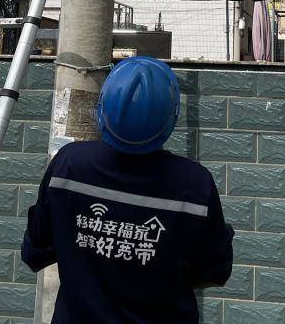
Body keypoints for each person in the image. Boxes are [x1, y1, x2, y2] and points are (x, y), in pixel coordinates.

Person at [21, 56, 235, 323]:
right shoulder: (194, 185)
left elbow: (34, 252)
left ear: (102, 109)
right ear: (171, 116)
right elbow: (214, 273)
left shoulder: (68, 167)